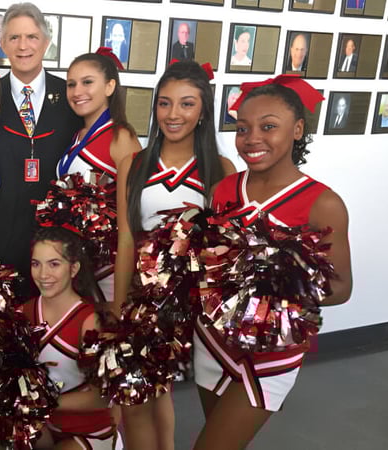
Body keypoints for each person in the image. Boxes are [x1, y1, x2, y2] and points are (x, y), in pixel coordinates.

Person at [193, 78, 352, 450]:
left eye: (268, 127)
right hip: (213, 342)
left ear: (297, 130)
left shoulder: (323, 203)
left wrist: (273, 286)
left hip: (271, 353)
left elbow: (341, 288)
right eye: (242, 128)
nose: (252, 138)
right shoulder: (223, 190)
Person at [116, 60, 236, 450]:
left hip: (197, 306)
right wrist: (119, 309)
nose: (173, 114)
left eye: (187, 104)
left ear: (203, 111)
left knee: (202, 398)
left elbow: (225, 249)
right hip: (146, 303)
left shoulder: (221, 169)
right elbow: (126, 240)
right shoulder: (134, 164)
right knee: (137, 400)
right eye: (165, 103)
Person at [0, 2, 82, 293]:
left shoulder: (71, 96)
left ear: (46, 42)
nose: (23, 46)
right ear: (2, 44)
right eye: (14, 37)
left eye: (32, 37)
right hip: (1, 239)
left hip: (58, 245)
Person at [23, 227, 120, 450]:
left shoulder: (90, 321)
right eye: (36, 264)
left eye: (54, 264)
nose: (43, 274)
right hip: (44, 429)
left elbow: (101, 397)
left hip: (90, 434)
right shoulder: (24, 312)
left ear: (73, 268)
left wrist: (43, 402)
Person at [58, 50, 141, 301]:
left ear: (109, 86)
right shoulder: (78, 135)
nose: (77, 91)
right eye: (71, 84)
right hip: (77, 260)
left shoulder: (121, 137)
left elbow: (133, 212)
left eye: (87, 82)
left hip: (109, 267)